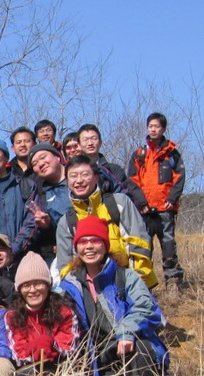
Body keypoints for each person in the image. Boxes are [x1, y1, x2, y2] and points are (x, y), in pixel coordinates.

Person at [59, 216, 168, 376]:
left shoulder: (125, 276)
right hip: (98, 361)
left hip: (129, 353)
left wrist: (126, 331)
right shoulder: (70, 285)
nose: (89, 247)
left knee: (142, 348)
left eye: (95, 240)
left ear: (106, 245)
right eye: (83, 242)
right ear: (76, 247)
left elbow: (147, 309)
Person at [56, 155, 158, 289]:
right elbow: (66, 267)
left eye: (85, 174)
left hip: (129, 281)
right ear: (67, 181)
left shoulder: (119, 203)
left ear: (96, 177)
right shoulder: (66, 222)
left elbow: (139, 243)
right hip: (89, 290)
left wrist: (136, 284)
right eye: (73, 176)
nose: (79, 180)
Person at [127, 112, 186, 286]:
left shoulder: (172, 154)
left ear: (163, 129)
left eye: (157, 126)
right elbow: (132, 181)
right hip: (145, 210)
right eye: (150, 126)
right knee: (144, 248)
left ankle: (173, 281)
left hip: (165, 208)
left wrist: (172, 199)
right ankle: (144, 284)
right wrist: (141, 203)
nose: (153, 129)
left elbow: (179, 178)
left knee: (169, 246)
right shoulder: (139, 154)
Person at [5, 252, 78, 372]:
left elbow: (69, 348)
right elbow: (18, 355)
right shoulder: (12, 316)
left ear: (48, 285)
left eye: (38, 284)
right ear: (19, 289)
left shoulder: (65, 312)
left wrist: (51, 345)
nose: (32, 290)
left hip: (60, 366)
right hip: (28, 370)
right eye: (26, 285)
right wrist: (34, 348)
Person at [76, 123, 146, 208]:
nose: (90, 143)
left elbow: (125, 194)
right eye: (85, 140)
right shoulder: (73, 171)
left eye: (94, 138)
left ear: (100, 142)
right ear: (79, 145)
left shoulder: (114, 170)